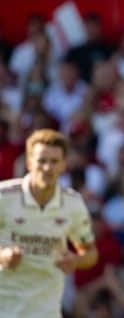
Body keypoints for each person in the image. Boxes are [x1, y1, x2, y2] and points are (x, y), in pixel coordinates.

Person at [0, 129, 98, 316]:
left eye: (54, 162)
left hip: (46, 310)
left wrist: (76, 260)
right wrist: (2, 256)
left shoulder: (72, 204)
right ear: (29, 163)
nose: (47, 168)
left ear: (63, 165)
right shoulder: (4, 197)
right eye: (41, 161)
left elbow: (90, 253)